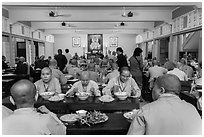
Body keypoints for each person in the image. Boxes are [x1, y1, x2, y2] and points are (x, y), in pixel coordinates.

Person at [127, 74, 202, 135]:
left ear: (161, 90)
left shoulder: (146, 111)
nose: (152, 91)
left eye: (153, 88)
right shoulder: (192, 109)